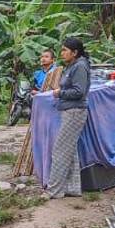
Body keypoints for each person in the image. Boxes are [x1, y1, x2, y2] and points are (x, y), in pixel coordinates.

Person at [45, 37, 92, 199]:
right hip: (70, 111)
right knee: (70, 152)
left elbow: (79, 91)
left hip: (74, 111)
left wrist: (60, 93)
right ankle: (72, 188)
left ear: (75, 52)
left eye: (65, 50)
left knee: (60, 151)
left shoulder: (79, 67)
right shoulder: (73, 66)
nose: (62, 53)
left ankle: (53, 191)